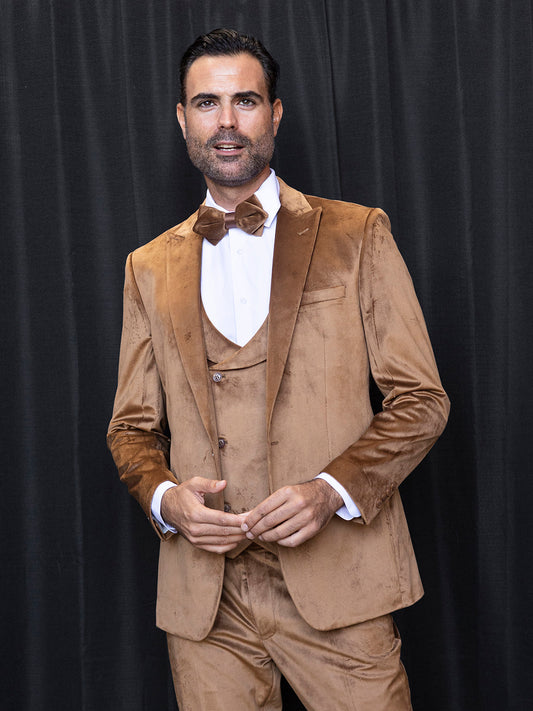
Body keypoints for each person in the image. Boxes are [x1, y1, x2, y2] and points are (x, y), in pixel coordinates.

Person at [107, 28, 449, 711]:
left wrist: (328, 489)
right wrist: (167, 499)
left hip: (339, 585)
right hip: (205, 604)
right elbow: (131, 427)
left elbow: (420, 400)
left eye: (245, 101)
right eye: (207, 103)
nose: (226, 122)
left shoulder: (356, 234)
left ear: (276, 112)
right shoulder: (147, 266)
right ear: (182, 118)